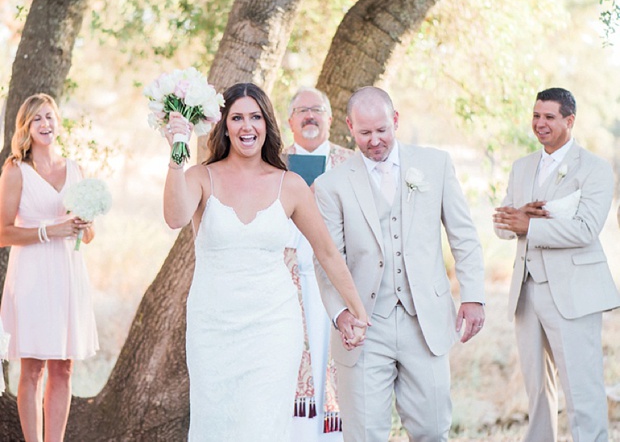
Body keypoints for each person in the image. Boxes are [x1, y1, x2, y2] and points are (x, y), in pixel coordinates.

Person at [162, 82, 368, 441]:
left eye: (255, 117)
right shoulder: (200, 177)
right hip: (212, 327)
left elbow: (327, 251)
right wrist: (177, 152)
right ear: (224, 124)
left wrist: (357, 311)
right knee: (215, 425)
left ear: (267, 124)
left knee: (263, 426)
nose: (247, 126)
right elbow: (175, 217)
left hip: (273, 326)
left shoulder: (288, 185)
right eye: (237, 117)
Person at [313, 86, 485, 441]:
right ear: (349, 127)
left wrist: (473, 296)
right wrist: (340, 313)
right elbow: (328, 259)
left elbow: (463, 236)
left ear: (395, 120)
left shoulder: (435, 165)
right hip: (363, 327)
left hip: (425, 321)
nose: (375, 141)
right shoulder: (331, 185)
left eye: (381, 130)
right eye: (364, 133)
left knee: (433, 429)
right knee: (364, 434)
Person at [493, 87, 620, 442]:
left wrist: (529, 225)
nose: (540, 123)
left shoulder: (594, 168)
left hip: (573, 293)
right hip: (526, 293)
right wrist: (517, 218)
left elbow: (584, 229)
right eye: (536, 115)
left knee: (582, 388)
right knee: (537, 390)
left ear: (569, 120)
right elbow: (502, 225)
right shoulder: (521, 167)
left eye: (549, 117)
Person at [0, 93, 98, 441]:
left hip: (69, 275)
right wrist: (49, 230)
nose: (45, 124)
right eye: (37, 119)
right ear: (25, 127)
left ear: (58, 122)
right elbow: (2, 233)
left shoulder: (75, 169)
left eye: (50, 117)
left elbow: (88, 237)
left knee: (64, 366)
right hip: (32, 276)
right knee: (33, 367)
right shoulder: (16, 170)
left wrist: (84, 225)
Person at [283, 87, 352, 441]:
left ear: (329, 118)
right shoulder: (273, 165)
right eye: (301, 110)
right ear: (290, 120)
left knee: (334, 358)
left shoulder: (350, 163)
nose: (309, 116)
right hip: (287, 284)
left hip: (338, 284)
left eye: (317, 109)